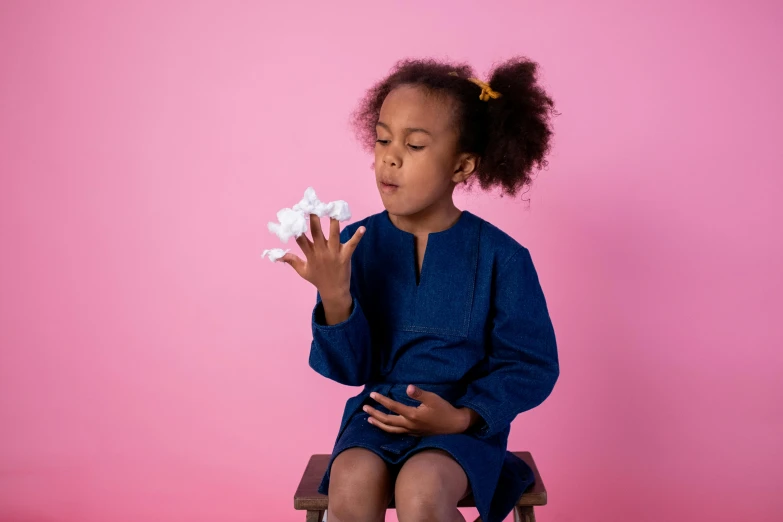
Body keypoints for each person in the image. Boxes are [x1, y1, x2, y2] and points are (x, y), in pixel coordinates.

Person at [280, 56, 560, 522]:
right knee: (349, 484)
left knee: (423, 489)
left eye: (414, 145)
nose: (389, 157)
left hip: (462, 427)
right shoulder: (356, 248)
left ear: (461, 165)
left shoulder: (503, 257)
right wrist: (335, 296)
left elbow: (530, 364)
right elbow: (351, 369)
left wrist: (464, 416)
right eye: (383, 139)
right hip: (377, 420)